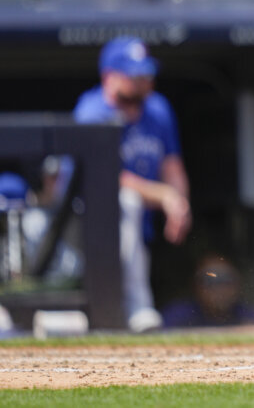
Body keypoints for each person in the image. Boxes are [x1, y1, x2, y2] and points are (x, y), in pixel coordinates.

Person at [73, 36, 191, 332]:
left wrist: (179, 201)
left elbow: (171, 164)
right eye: (134, 74)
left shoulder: (158, 110)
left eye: (146, 73)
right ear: (109, 76)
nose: (143, 81)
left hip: (135, 226)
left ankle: (132, 310)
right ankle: (134, 305)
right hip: (81, 224)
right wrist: (163, 195)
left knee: (132, 208)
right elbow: (108, 177)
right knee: (127, 200)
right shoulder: (92, 111)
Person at [162, 254, 254, 327]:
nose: (219, 288)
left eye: (225, 280)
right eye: (210, 280)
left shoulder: (251, 315)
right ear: (196, 286)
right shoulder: (179, 314)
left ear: (238, 283)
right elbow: (157, 333)